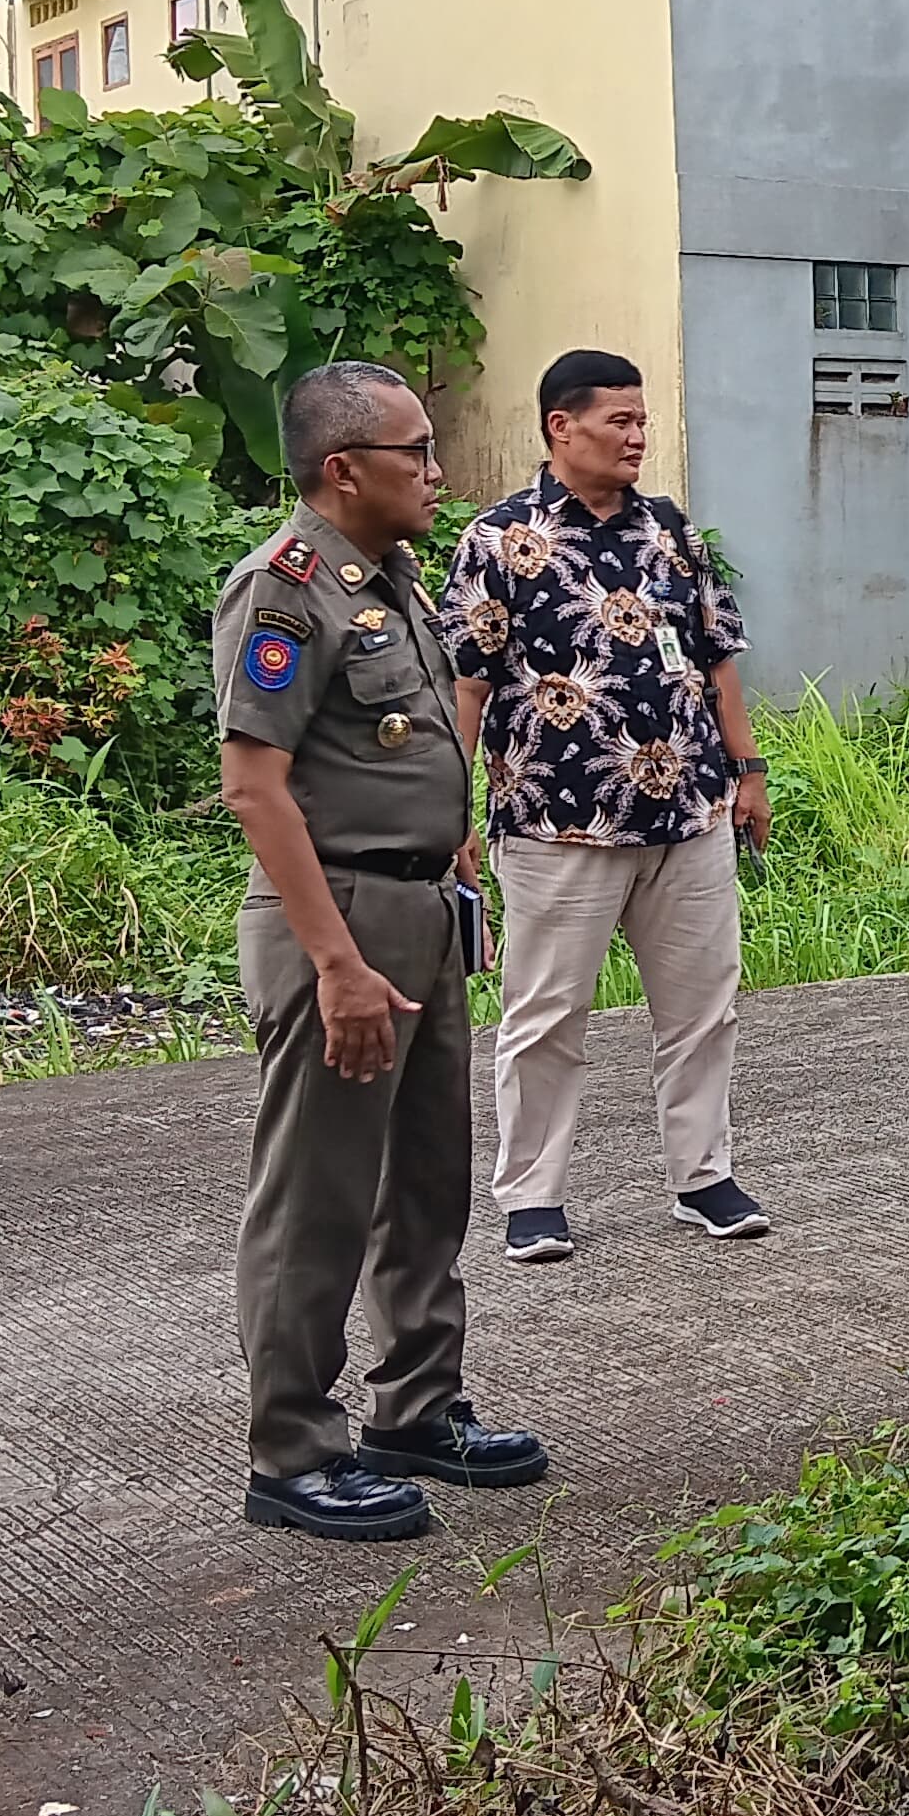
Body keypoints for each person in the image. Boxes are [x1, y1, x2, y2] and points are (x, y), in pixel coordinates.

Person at [211, 363, 544, 1541]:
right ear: (344, 468)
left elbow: (399, 749)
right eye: (415, 450)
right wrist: (338, 963)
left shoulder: (390, 577)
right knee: (319, 1198)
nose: (437, 470)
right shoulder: (284, 592)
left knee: (425, 1179)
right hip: (336, 918)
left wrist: (451, 869)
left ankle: (417, 1404)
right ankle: (293, 1449)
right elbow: (255, 791)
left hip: (417, 906)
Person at [444, 350, 771, 1266]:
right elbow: (467, 688)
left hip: (689, 815)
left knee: (704, 1006)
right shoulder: (498, 542)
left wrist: (748, 772)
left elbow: (719, 660)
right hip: (557, 825)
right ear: (561, 427)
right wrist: (452, 808)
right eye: (618, 421)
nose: (638, 437)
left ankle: (702, 1176)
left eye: (642, 421)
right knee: (546, 1014)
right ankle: (534, 1195)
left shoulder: (670, 531)